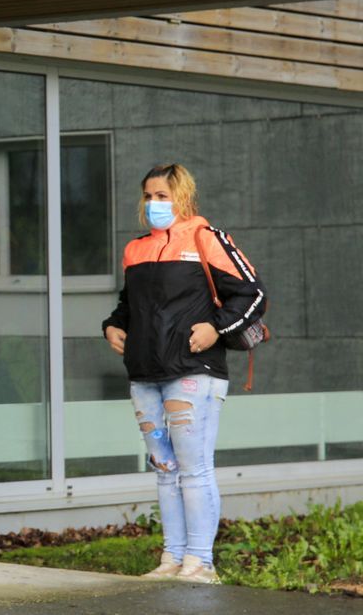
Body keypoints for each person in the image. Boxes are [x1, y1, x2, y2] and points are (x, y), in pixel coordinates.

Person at [101, 163, 265, 584]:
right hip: (145, 373)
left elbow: (252, 293)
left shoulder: (205, 238)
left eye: (163, 196)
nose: (155, 204)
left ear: (183, 196)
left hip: (194, 371)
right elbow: (128, 304)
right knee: (165, 469)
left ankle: (200, 562)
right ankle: (172, 558)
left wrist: (216, 328)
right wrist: (113, 325)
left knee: (194, 469)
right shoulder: (135, 249)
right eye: (149, 196)